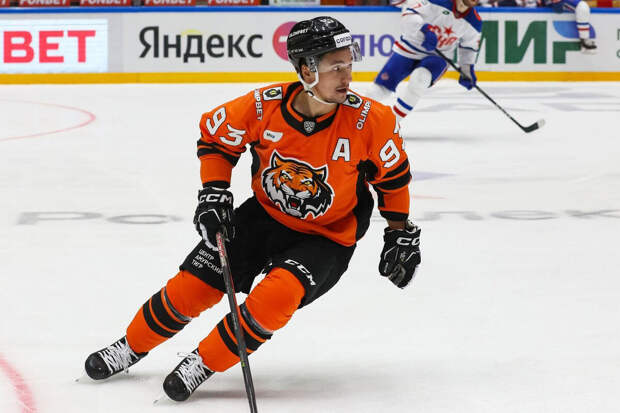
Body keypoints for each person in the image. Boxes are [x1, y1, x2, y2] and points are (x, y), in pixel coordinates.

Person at [83, 16, 422, 402]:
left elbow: (393, 180)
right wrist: (214, 192)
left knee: (275, 298)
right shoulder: (264, 106)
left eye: (349, 64)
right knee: (191, 288)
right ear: (306, 70)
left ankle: (203, 362)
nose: (347, 76)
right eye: (336, 67)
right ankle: (130, 346)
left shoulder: (372, 120)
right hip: (263, 217)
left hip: (327, 237)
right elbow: (216, 137)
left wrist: (399, 233)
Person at [366, 0, 482, 123]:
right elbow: (409, 14)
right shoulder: (437, 1)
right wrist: (424, 29)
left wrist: (467, 70)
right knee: (378, 90)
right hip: (409, 48)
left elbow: (469, 47)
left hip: (437, 57)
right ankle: (355, 117)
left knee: (420, 80)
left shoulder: (475, 21)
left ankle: (391, 124)